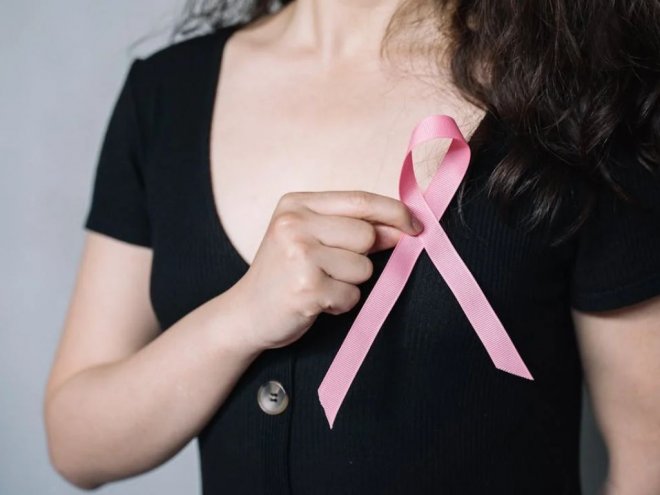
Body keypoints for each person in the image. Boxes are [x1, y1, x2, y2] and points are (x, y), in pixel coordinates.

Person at [43, 1, 660, 493]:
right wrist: (239, 319)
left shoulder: (586, 100)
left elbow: (647, 463)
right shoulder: (164, 95)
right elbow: (77, 444)